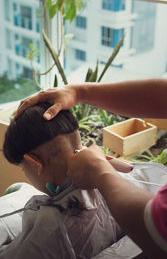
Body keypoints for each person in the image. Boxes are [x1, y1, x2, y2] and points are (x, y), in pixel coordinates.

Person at [14, 0, 167, 258]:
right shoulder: (144, 176)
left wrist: (101, 172)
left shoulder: (46, 229)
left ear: (34, 162)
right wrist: (78, 90)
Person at [1, 102, 124, 259]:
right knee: (18, 187)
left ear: (34, 162)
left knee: (15, 189)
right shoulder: (116, 184)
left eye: (23, 169)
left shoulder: (50, 229)